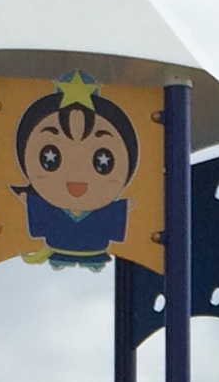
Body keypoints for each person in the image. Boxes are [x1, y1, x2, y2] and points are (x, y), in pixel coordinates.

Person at [12, 75, 140, 268]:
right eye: (50, 158)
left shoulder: (103, 210)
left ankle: (90, 260)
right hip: (59, 247)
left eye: (102, 162)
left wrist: (125, 206)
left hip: (95, 250)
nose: (77, 175)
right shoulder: (50, 208)